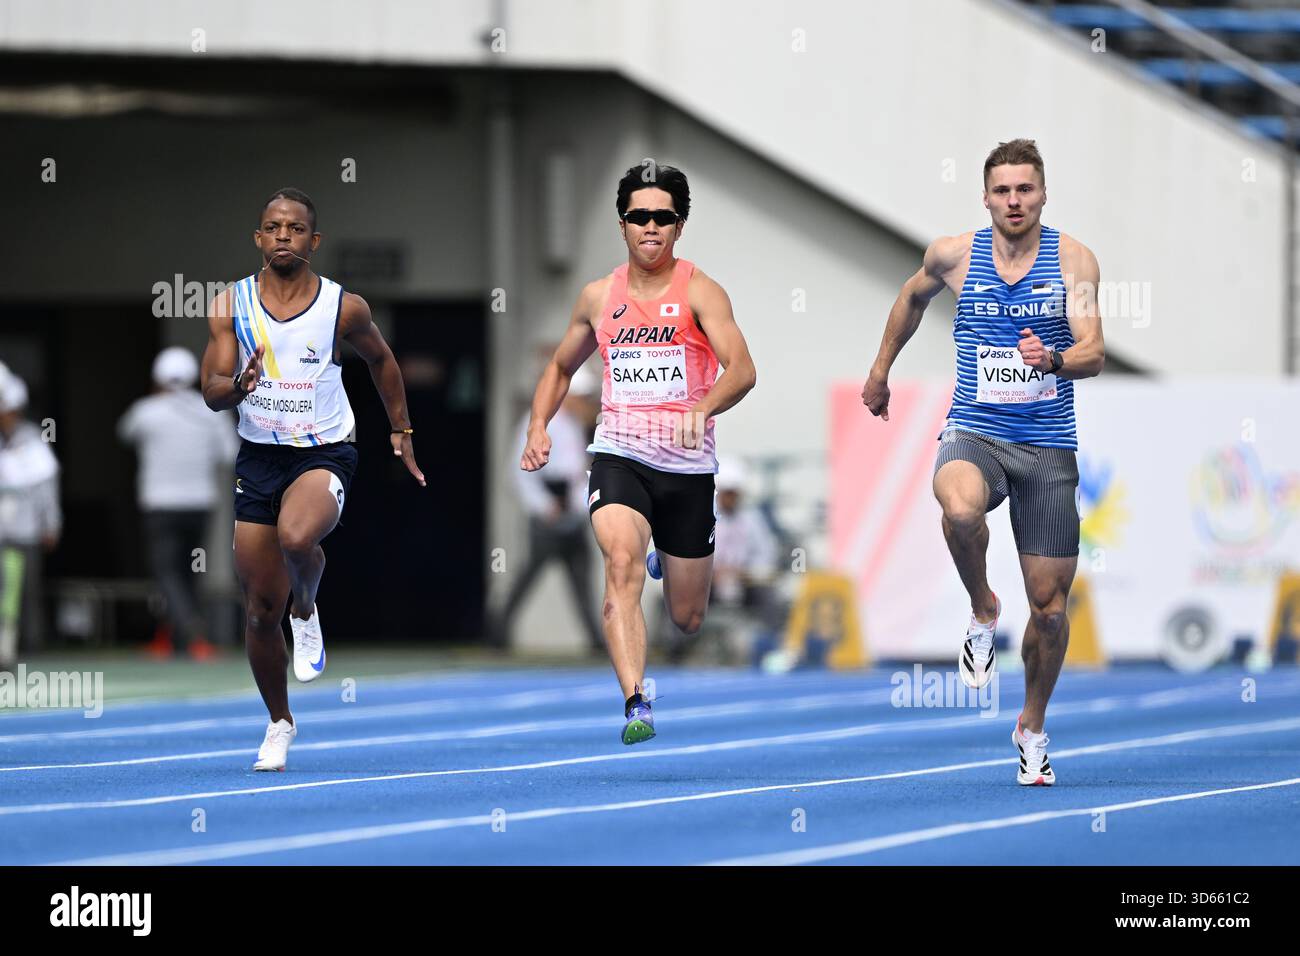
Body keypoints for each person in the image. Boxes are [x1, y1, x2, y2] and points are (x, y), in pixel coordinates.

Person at [861, 139, 1105, 786]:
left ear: (1043, 193)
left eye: (1025, 189)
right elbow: (910, 302)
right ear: (986, 196)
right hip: (977, 429)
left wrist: (1052, 359)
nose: (1014, 201)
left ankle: (1031, 725)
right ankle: (983, 609)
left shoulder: (1073, 260)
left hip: (1048, 446)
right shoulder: (953, 255)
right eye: (1003, 190)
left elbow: (1094, 351)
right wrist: (881, 370)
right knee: (960, 504)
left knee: (1051, 610)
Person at [521, 162, 757, 745]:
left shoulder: (701, 291)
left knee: (688, 617)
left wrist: (701, 409)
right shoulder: (599, 297)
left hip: (688, 469)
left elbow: (744, 369)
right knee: (620, 565)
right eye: (639, 217)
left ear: (679, 225)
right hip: (619, 455)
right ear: (622, 224)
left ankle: (668, 559)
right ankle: (635, 700)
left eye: (663, 217)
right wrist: (537, 426)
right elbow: (560, 365)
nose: (650, 227)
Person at [200, 187, 425, 771]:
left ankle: (308, 605)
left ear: (313, 240)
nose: (283, 236)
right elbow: (211, 392)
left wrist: (399, 428)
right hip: (258, 459)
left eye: (295, 228)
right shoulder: (230, 306)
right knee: (256, 609)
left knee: (298, 537)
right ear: (258, 237)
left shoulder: (342, 307)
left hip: (323, 451)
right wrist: (240, 388)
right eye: (272, 226)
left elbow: (381, 360)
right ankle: (279, 722)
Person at [119, 346, 240, 660]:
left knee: (166, 572)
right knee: (188, 571)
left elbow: (125, 432)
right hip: (200, 504)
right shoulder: (210, 412)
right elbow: (230, 455)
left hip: (159, 505)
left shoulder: (146, 411)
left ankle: (191, 631)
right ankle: (173, 638)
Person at [493, 365, 603, 653]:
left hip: (571, 511)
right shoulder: (542, 424)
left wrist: (580, 508)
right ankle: (497, 630)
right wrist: (544, 506)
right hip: (548, 514)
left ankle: (597, 641)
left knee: (582, 580)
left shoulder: (578, 426)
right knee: (528, 575)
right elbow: (519, 471)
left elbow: (579, 474)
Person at [0, 372, 61, 673]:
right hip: (2, 532)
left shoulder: (32, 442)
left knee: (23, 591)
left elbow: (45, 488)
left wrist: (51, 523)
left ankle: (27, 646)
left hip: (24, 531)